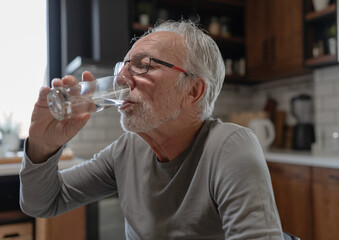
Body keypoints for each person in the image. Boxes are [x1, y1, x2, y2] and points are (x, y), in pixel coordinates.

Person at [20, 19, 284, 239]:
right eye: (122, 67)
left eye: (143, 65)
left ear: (193, 91)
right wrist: (42, 146)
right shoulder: (128, 150)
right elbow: (41, 203)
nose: (121, 78)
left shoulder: (228, 146)